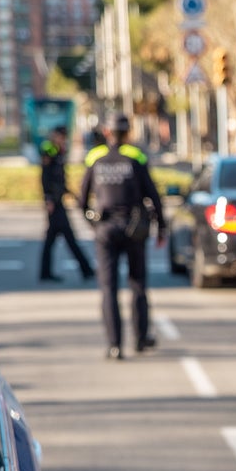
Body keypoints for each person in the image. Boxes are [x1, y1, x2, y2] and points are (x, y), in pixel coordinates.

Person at [78, 113, 166, 361]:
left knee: (108, 289)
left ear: (108, 132)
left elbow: (81, 200)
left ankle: (114, 345)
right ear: (127, 132)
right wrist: (162, 226)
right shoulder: (136, 157)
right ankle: (140, 338)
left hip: (105, 230)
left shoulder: (95, 157)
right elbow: (153, 195)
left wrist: (93, 224)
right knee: (137, 285)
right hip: (134, 229)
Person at [38, 126, 95, 283]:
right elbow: (46, 177)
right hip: (54, 203)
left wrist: (71, 194)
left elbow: (60, 178)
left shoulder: (59, 151)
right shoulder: (49, 150)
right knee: (68, 238)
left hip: (58, 200)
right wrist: (48, 198)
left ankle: (45, 272)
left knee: (52, 239)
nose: (63, 140)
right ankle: (86, 269)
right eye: (61, 137)